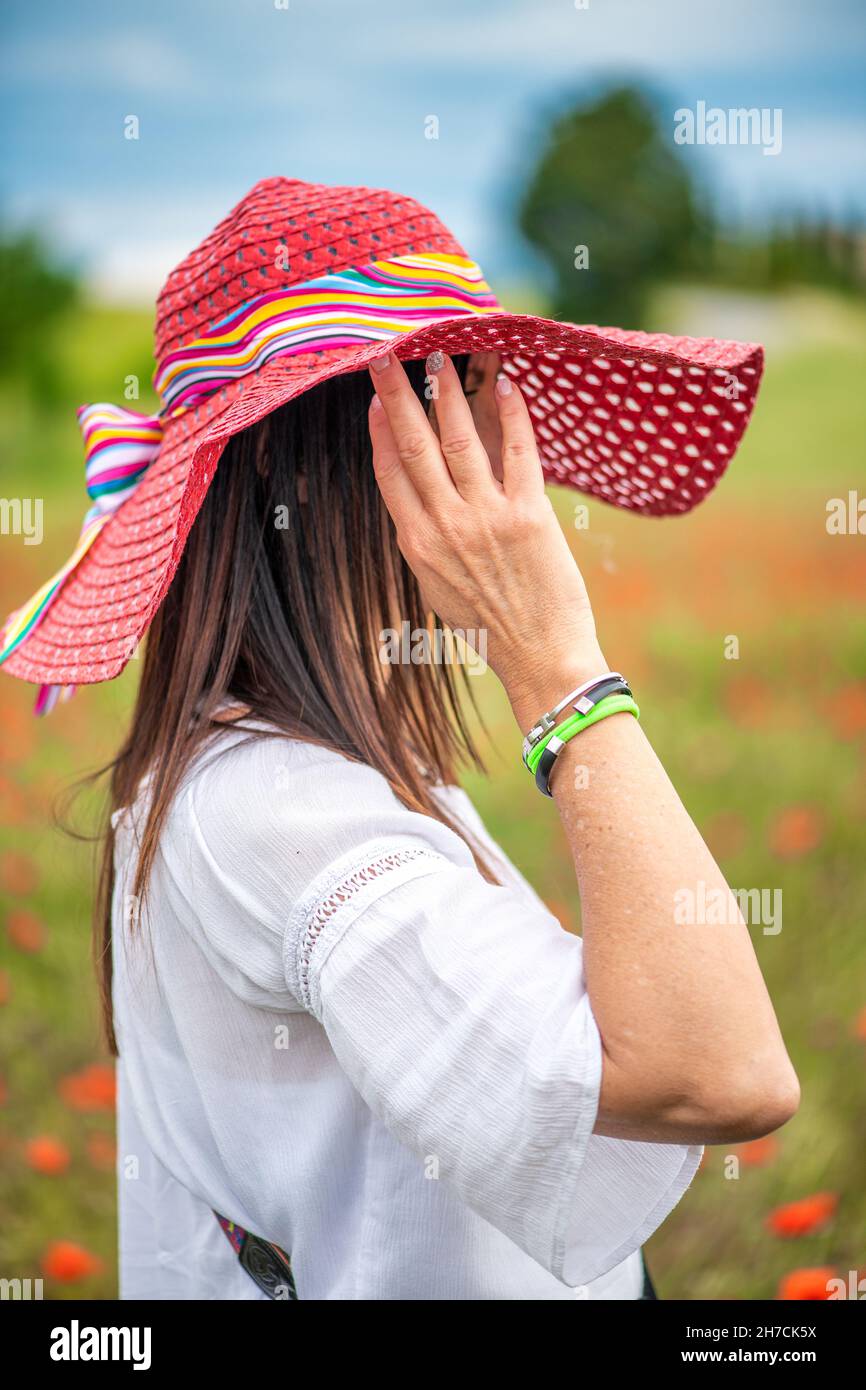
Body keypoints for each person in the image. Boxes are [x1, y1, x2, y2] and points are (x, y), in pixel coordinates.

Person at [0, 178, 797, 1300]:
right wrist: (558, 667)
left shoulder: (279, 759)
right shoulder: (286, 813)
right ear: (287, 462)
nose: (487, 447)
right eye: (450, 394)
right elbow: (722, 1074)